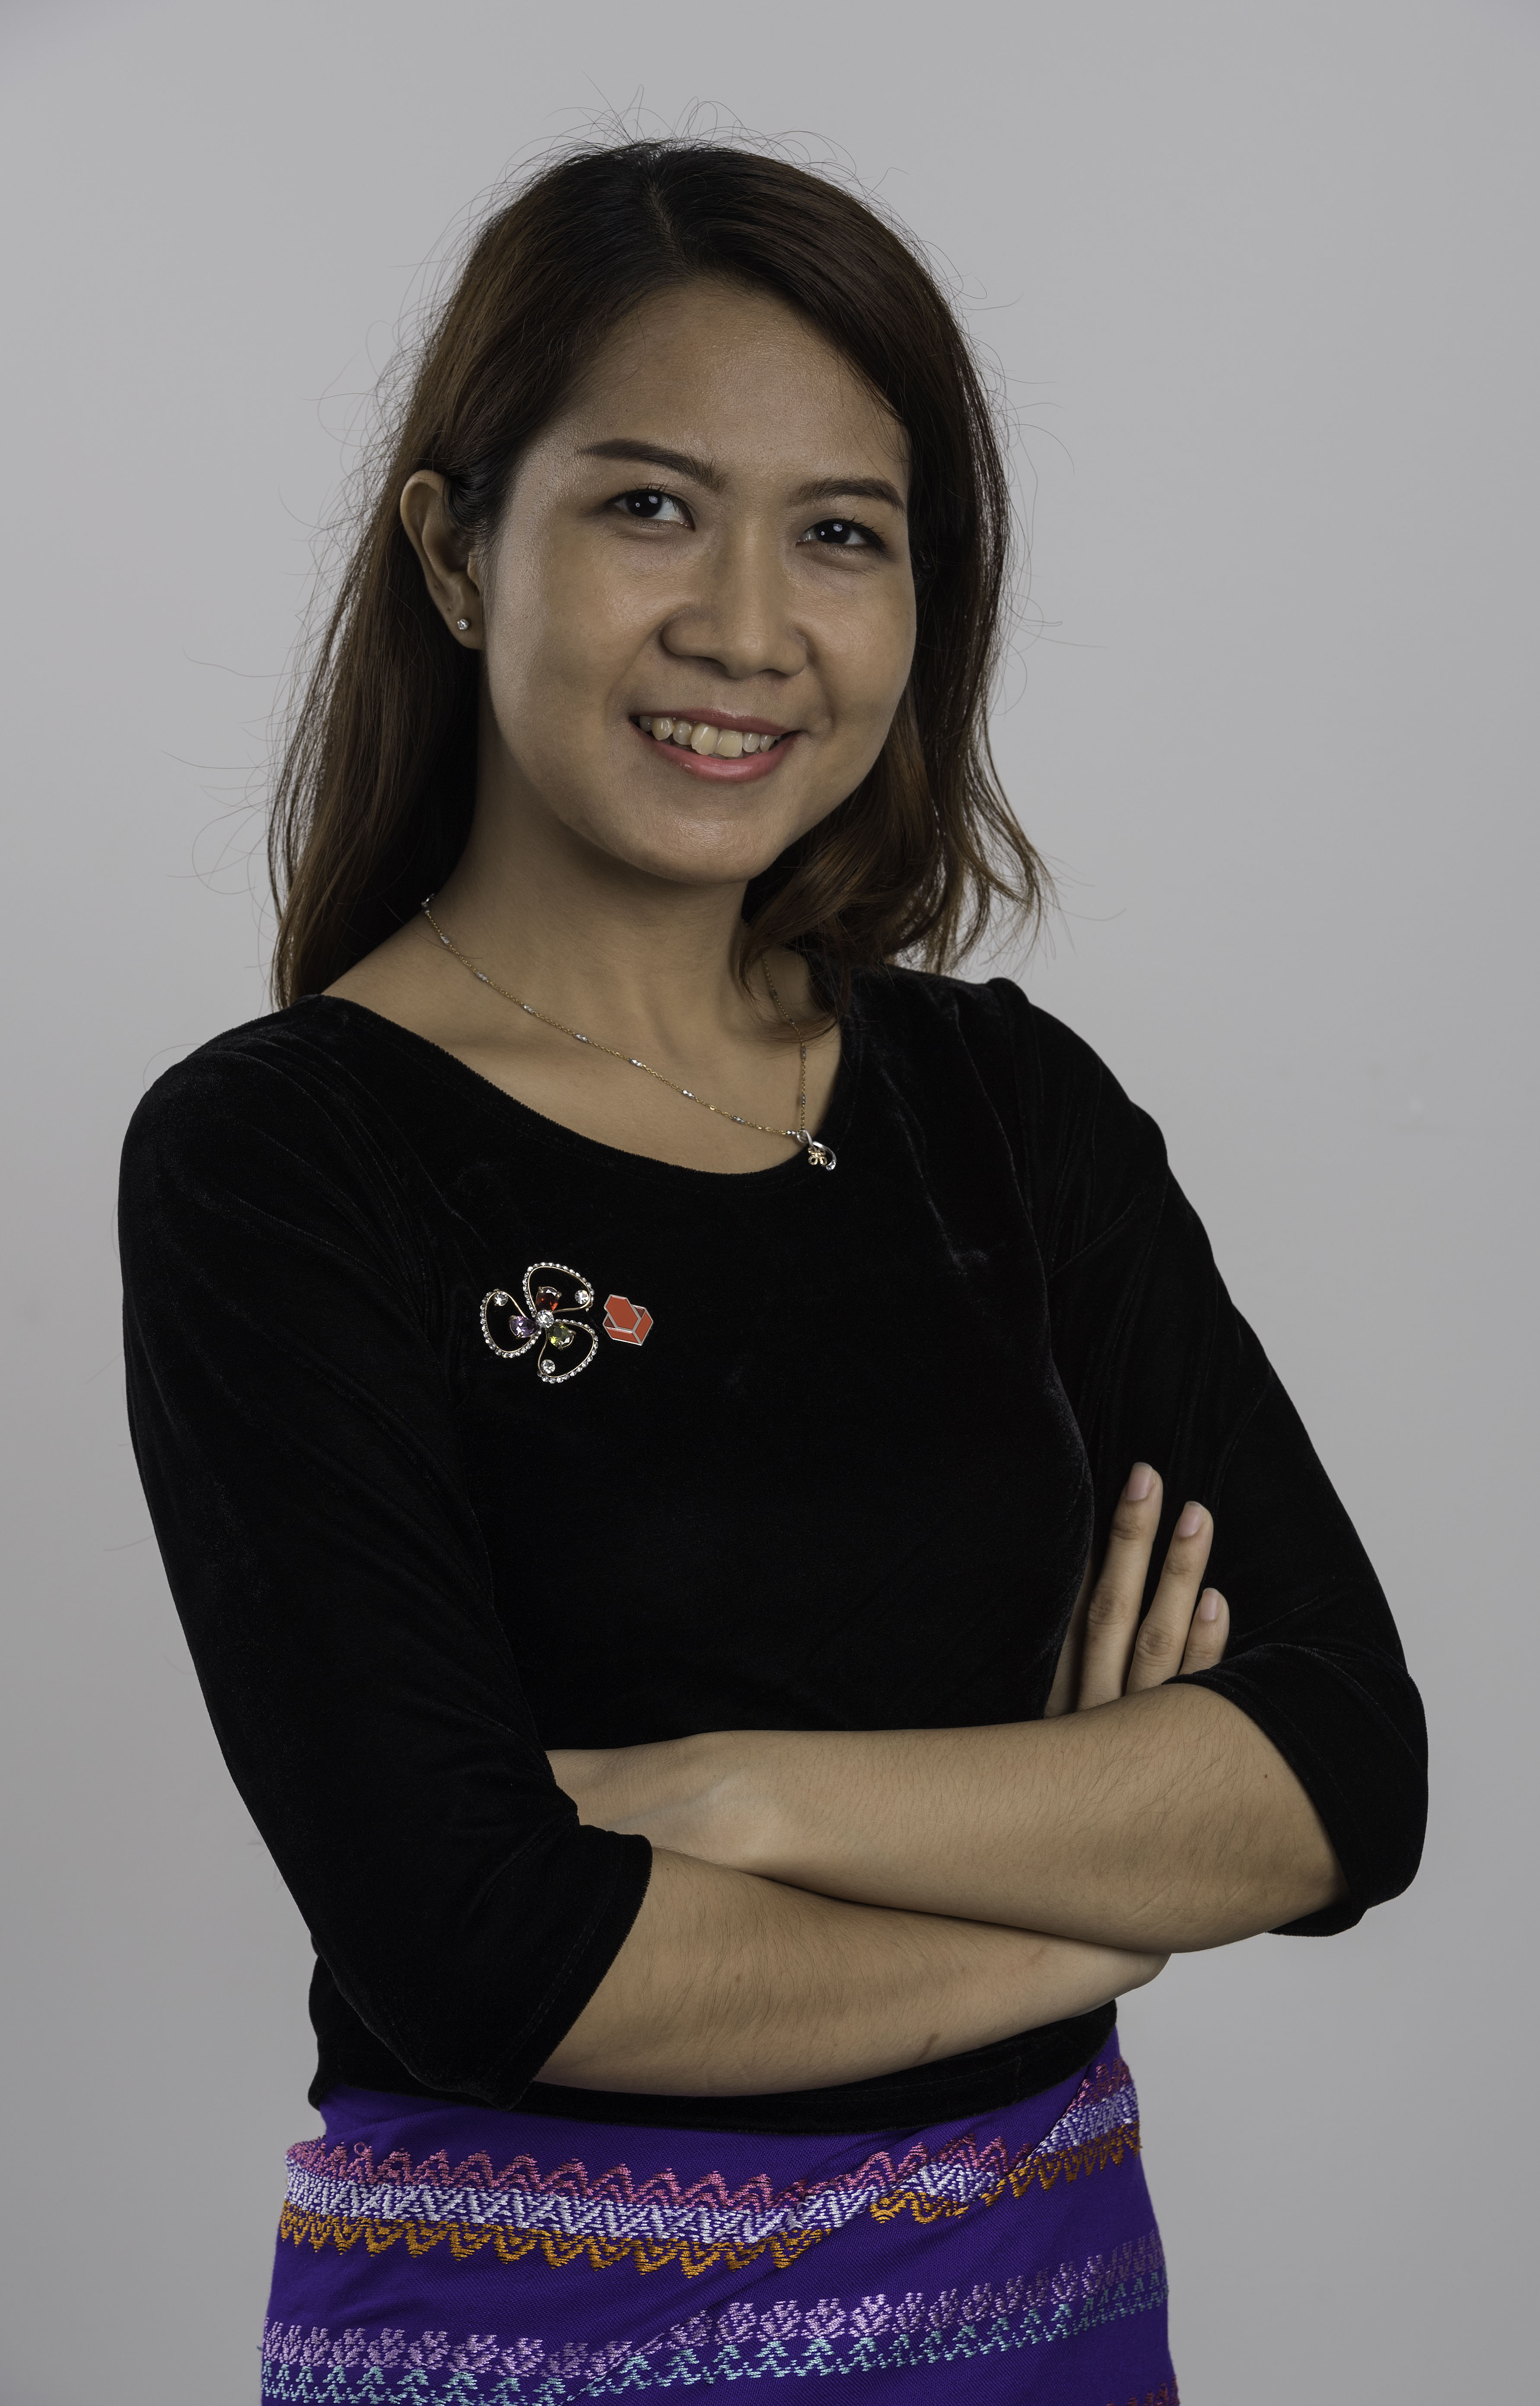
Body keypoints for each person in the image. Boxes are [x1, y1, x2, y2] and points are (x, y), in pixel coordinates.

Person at [118, 139, 1426, 2404]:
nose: (749, 626)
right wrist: (1106, 1877)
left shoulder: (1006, 1108)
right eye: (650, 504)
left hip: (1053, 2333)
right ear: (454, 551)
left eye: (843, 532)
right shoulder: (283, 1157)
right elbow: (493, 1956)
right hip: (537, 2349)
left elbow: (1343, 1773)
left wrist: (748, 1799)